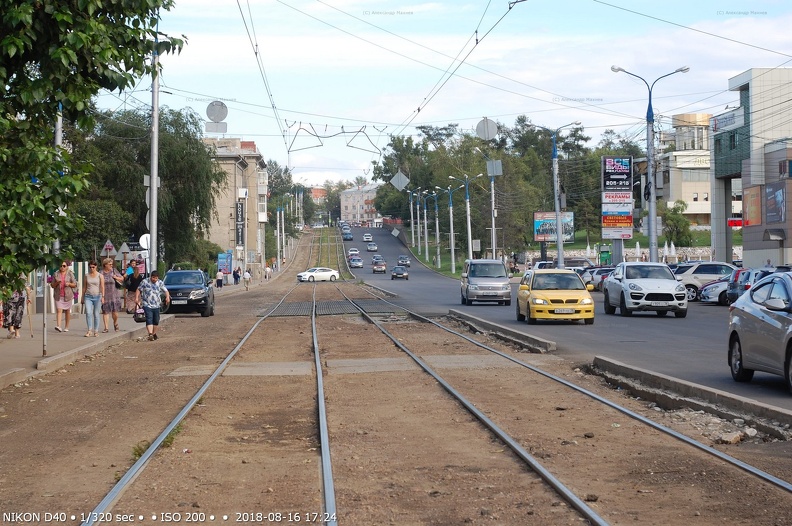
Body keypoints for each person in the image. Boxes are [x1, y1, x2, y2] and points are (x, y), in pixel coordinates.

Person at [135, 270, 170, 341]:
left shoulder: (160, 282)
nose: (154, 279)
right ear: (151, 276)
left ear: (158, 278)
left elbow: (166, 290)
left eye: (156, 278)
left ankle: (154, 333)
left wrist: (167, 297)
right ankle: (150, 334)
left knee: (156, 320)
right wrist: (136, 298)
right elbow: (138, 289)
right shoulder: (145, 282)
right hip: (146, 304)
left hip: (156, 305)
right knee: (149, 318)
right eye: (153, 277)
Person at [51, 260, 78, 332]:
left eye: (64, 266)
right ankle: (59, 326)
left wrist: (69, 284)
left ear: (67, 267)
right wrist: (57, 283)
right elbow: (52, 285)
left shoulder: (70, 274)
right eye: (61, 266)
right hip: (58, 295)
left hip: (68, 295)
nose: (62, 267)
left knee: (67, 311)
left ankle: (66, 326)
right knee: (59, 310)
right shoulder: (56, 274)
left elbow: (75, 284)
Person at [81, 261, 104, 337]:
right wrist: (82, 296)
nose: (92, 269)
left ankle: (96, 331)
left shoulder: (100, 276)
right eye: (90, 267)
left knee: (96, 314)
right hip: (88, 296)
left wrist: (103, 297)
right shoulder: (86, 275)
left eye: (93, 267)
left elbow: (102, 287)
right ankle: (89, 330)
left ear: (96, 267)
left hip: (97, 296)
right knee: (88, 312)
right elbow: (84, 286)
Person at [100, 257, 124, 332]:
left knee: (115, 313)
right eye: (109, 264)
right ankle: (106, 328)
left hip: (114, 295)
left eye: (112, 264)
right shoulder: (101, 273)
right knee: (105, 311)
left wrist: (115, 277)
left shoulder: (114, 271)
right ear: (105, 265)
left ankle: (115, 322)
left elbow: (122, 278)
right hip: (105, 295)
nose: (111, 265)